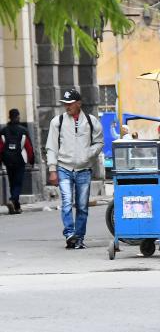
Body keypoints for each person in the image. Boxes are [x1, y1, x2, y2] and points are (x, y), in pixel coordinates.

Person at [45, 89, 103, 248]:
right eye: (65, 103)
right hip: (64, 168)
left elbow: (99, 142)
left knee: (82, 206)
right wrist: (52, 169)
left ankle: (79, 238)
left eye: (70, 103)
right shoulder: (57, 122)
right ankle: (70, 233)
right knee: (66, 202)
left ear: (79, 103)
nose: (67, 106)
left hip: (84, 170)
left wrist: (88, 154)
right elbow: (51, 147)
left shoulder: (91, 121)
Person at [1, 109, 35, 214]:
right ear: (18, 117)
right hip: (19, 159)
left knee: (12, 182)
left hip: (7, 159)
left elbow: (0, 147)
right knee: (18, 183)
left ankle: (16, 207)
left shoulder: (3, 131)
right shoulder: (23, 130)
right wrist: (32, 160)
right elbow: (28, 147)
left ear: (9, 117)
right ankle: (12, 200)